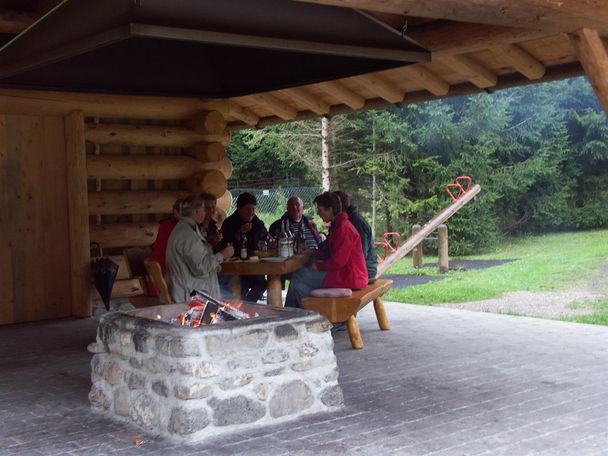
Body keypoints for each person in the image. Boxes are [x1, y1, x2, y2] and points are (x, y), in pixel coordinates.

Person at [285, 191, 368, 308]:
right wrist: (312, 251)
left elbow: (339, 261)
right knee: (298, 281)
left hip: (350, 276)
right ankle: (304, 314)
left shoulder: (343, 229)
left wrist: (318, 267)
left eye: (320, 209)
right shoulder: (339, 225)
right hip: (346, 273)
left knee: (299, 278)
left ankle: (292, 316)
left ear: (330, 209)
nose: (318, 213)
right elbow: (329, 250)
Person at [165, 195, 234, 303]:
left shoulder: (183, 228)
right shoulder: (188, 235)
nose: (205, 213)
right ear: (197, 212)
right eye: (203, 210)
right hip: (190, 294)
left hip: (186, 287)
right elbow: (200, 268)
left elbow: (196, 262)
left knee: (229, 294)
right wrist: (222, 255)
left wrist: (214, 265)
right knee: (232, 301)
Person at [218, 192, 269, 302]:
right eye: (248, 209)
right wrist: (239, 233)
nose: (251, 213)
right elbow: (225, 244)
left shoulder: (256, 222)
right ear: (239, 209)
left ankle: (247, 305)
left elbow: (265, 236)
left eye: (253, 209)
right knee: (239, 287)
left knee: (262, 284)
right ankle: (242, 306)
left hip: (253, 266)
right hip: (235, 269)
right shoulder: (229, 223)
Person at [334, 190, 378, 282]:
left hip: (365, 270)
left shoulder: (356, 222)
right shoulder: (346, 220)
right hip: (358, 268)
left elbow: (361, 253)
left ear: (337, 207)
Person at [146, 198, 183, 296]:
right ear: (176, 213)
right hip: (163, 287)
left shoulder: (177, 227)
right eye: (184, 212)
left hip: (167, 282)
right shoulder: (169, 228)